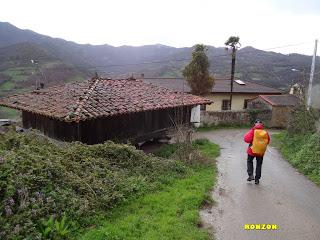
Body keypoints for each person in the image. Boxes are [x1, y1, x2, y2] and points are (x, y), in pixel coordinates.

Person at [244, 119, 270, 184]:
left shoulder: (252, 131)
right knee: (259, 164)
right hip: (260, 152)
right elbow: (268, 141)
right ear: (262, 124)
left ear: (254, 124)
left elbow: (246, 139)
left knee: (249, 161)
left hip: (252, 150)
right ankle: (257, 179)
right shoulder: (265, 132)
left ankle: (250, 175)